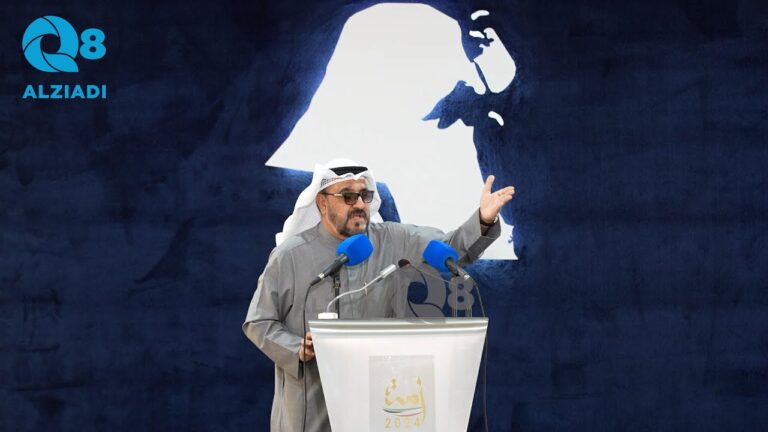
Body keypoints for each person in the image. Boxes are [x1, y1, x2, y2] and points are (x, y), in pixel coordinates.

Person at [243, 159, 514, 431]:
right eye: (348, 196)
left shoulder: (393, 240)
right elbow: (258, 321)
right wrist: (296, 348)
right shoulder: (290, 256)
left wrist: (483, 220)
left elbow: (450, 248)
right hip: (313, 404)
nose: (360, 204)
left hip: (376, 402)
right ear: (322, 203)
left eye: (365, 195)